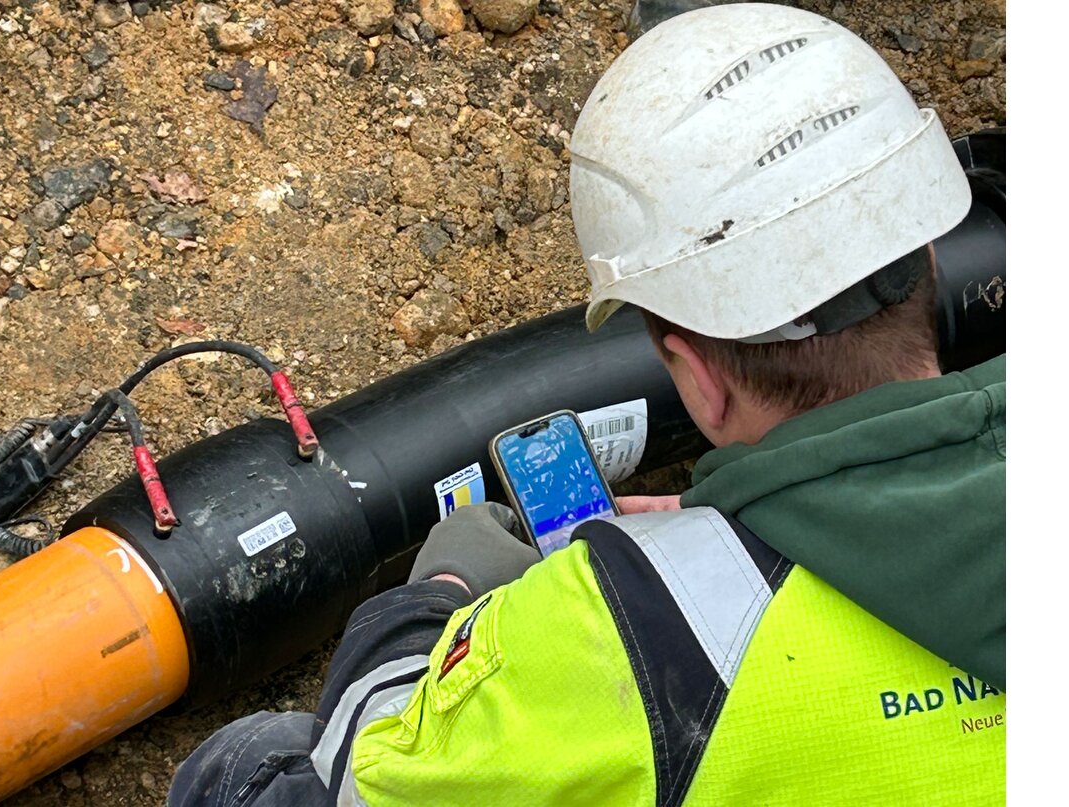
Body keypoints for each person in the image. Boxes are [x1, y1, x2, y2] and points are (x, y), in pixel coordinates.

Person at [169, 4, 1005, 805]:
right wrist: (778, 525)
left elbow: (367, 779)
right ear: (932, 252)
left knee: (251, 767)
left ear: (698, 376)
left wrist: (431, 602)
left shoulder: (625, 629)